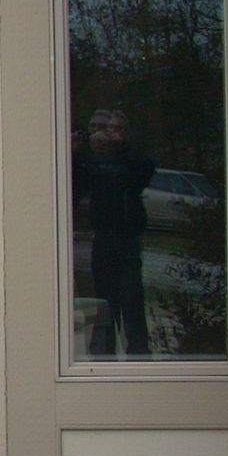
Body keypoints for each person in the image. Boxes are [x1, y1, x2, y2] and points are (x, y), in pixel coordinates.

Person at [72, 107, 155, 357]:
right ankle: (101, 357)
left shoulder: (132, 158)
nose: (108, 134)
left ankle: (138, 356)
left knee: (131, 301)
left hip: (127, 239)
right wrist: (77, 152)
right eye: (103, 128)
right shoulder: (91, 160)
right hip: (101, 239)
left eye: (116, 129)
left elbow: (139, 174)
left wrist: (115, 149)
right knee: (102, 303)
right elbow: (75, 188)